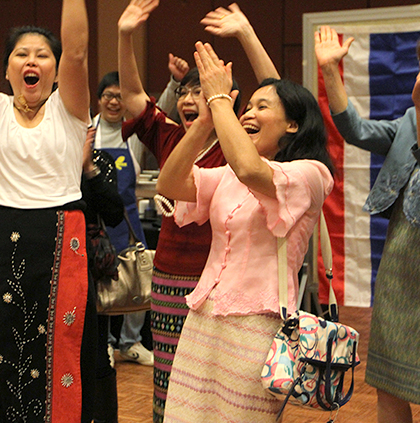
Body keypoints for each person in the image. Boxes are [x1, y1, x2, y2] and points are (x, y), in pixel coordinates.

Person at [157, 41, 334, 422]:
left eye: (261, 106)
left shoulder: (311, 174)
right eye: (246, 106)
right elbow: (169, 184)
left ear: (293, 124)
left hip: (257, 324)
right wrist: (205, 121)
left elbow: (252, 170)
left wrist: (221, 98)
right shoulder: (229, 175)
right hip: (203, 315)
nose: (248, 113)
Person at [117, 1, 278, 420]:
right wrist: (124, 34)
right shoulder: (171, 138)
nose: (190, 98)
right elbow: (134, 96)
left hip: (223, 285)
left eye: (199, 90)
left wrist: (246, 34)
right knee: (169, 384)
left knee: (218, 389)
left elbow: (281, 97)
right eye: (184, 91)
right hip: (171, 278)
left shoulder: (240, 140)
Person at [315, 26, 420, 423]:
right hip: (400, 267)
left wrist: (419, 108)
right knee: (389, 383)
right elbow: (356, 129)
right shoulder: (409, 119)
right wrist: (331, 70)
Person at [0, 0, 94, 421]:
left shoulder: (68, 110)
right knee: (0, 350)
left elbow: (76, 51)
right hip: (1, 239)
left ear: (53, 69)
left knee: (59, 356)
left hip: (60, 241)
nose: (32, 61)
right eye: (21, 54)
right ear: (7, 69)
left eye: (41, 55)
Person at [92, 71, 154, 367]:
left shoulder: (134, 134)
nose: (114, 101)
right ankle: (103, 343)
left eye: (120, 96)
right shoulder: (86, 131)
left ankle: (131, 342)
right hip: (96, 224)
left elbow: (159, 109)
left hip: (128, 222)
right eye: (108, 95)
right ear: (99, 99)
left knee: (140, 281)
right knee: (101, 285)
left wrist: (173, 83)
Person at [81, 127, 124, 423]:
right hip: (44, 263)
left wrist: (88, 169)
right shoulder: (38, 155)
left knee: (96, 354)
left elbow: (114, 214)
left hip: (89, 270)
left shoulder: (100, 161)